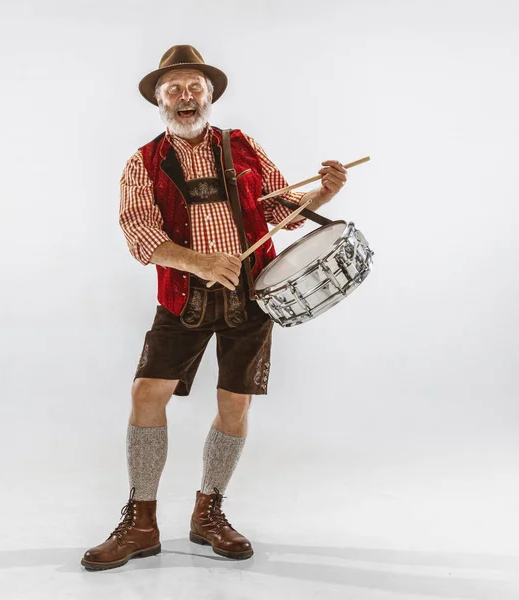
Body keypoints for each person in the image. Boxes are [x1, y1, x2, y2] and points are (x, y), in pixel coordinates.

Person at [81, 45, 347, 571]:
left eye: (193, 88)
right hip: (183, 299)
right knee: (146, 395)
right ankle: (141, 521)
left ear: (209, 94)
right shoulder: (143, 161)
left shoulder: (242, 146)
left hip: (250, 296)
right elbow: (139, 233)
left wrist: (321, 195)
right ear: (159, 101)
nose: (185, 97)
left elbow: (278, 209)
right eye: (173, 89)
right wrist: (198, 263)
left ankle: (209, 513)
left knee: (235, 404)